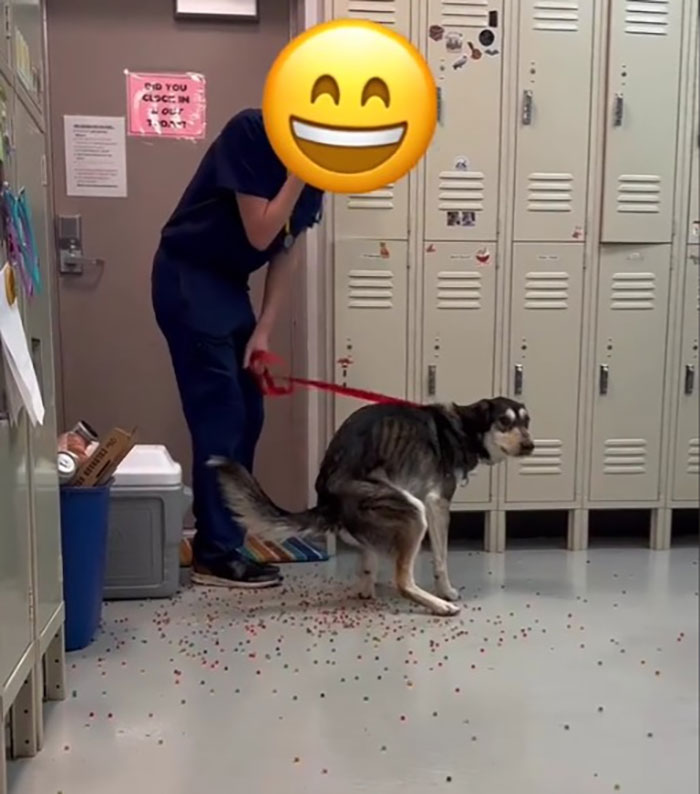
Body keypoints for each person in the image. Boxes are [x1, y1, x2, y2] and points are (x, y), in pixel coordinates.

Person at [151, 108, 324, 589]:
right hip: (188, 274)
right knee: (220, 412)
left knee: (249, 408)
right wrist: (299, 173)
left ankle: (227, 539)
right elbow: (262, 231)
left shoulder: (320, 170)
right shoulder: (251, 132)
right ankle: (216, 554)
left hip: (229, 286)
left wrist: (263, 332)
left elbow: (283, 251)